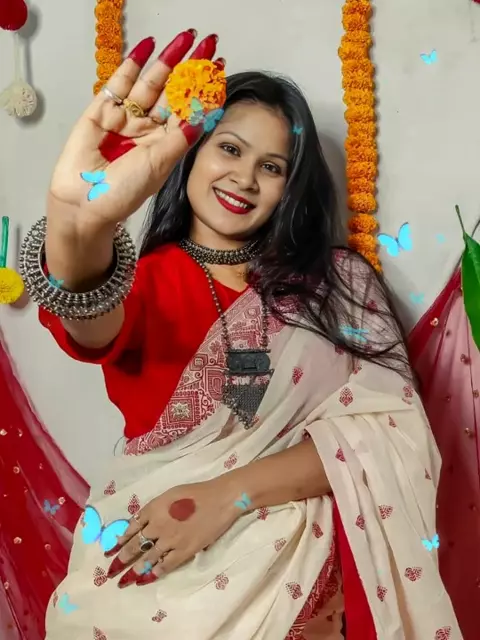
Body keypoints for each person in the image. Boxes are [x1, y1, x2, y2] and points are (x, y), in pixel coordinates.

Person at [27, 28, 461, 639]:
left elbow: (390, 434)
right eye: (229, 149)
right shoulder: (140, 279)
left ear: (292, 186)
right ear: (190, 154)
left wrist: (226, 496)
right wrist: (77, 225)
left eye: (272, 166)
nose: (245, 179)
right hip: (145, 582)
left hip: (290, 587)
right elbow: (87, 312)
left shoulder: (334, 286)